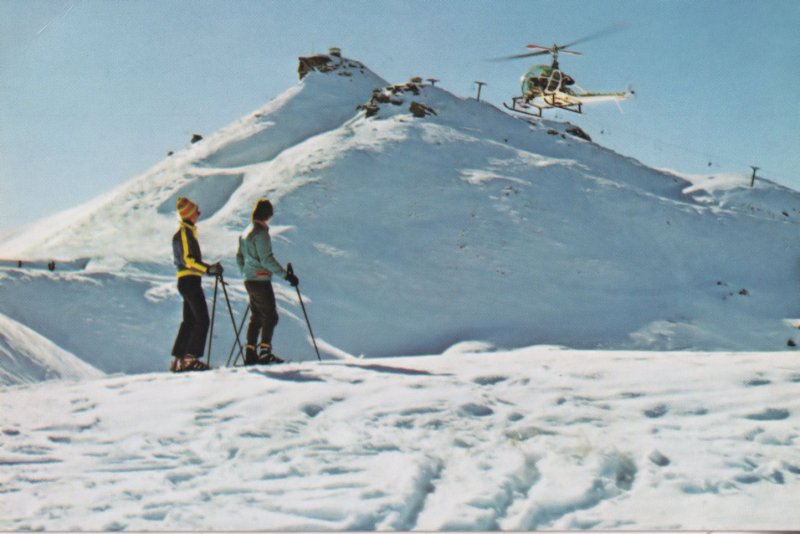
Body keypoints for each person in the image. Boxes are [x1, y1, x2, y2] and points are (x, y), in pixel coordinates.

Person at [236, 198, 299, 365]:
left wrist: (246, 273)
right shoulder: (261, 233)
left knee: (256, 316)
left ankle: (250, 353)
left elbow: (239, 257)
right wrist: (286, 275)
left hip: (249, 280)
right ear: (267, 215)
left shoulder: (245, 232)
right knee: (270, 316)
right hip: (261, 279)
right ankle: (265, 352)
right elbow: (266, 259)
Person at [170, 196, 223, 372]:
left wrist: (206, 270)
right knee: (202, 320)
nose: (198, 215)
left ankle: (179, 359)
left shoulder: (186, 232)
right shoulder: (184, 233)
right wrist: (208, 269)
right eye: (196, 212)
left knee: (189, 320)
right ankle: (190, 359)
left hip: (186, 280)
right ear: (190, 214)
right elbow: (188, 259)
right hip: (190, 280)